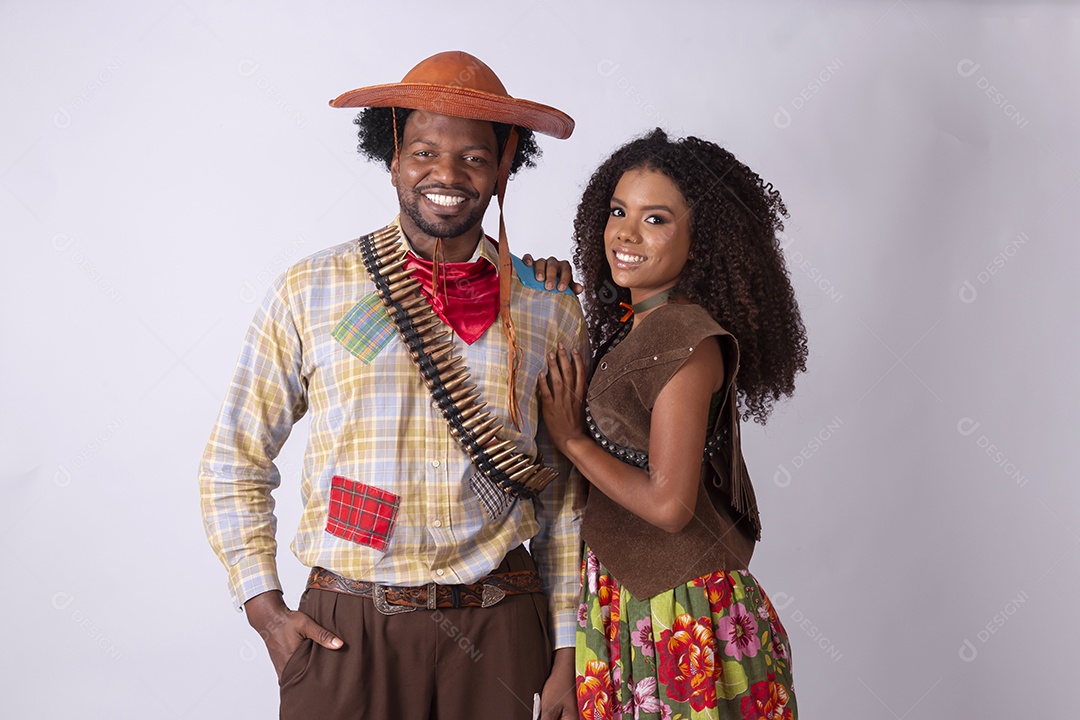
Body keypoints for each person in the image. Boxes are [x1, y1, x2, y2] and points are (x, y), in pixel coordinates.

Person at [200, 51, 585, 719]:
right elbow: (235, 456)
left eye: (473, 157)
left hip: (499, 625)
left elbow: (566, 496)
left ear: (503, 168)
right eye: (424, 151)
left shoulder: (548, 307)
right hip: (348, 627)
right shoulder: (311, 289)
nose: (446, 174)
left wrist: (569, 653)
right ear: (392, 160)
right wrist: (263, 606)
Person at [538, 128, 808, 719]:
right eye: (618, 211)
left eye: (655, 219)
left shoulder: (687, 339)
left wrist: (573, 441)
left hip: (679, 615)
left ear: (700, 241)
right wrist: (545, 287)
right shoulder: (636, 326)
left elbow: (669, 505)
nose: (626, 234)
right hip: (625, 602)